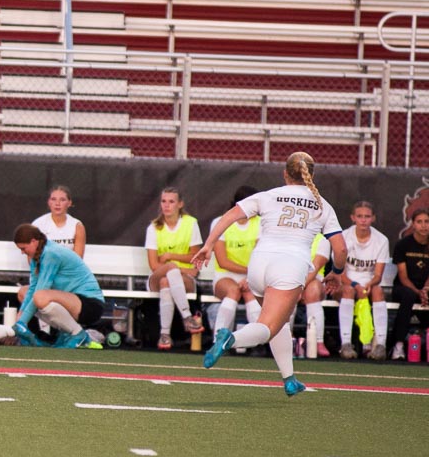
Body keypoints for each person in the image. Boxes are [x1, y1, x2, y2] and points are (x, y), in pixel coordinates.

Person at [195, 151, 346, 396]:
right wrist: (336, 272)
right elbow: (340, 249)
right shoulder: (322, 205)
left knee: (279, 323)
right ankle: (230, 339)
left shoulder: (268, 195)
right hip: (288, 267)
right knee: (268, 326)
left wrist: (208, 245)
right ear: (312, 175)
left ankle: (289, 378)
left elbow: (230, 215)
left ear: (285, 174)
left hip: (258, 265)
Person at [11, 224, 104, 348]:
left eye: (23, 248)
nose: (22, 252)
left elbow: (41, 290)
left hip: (90, 304)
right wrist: (20, 317)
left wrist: (23, 322)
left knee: (40, 297)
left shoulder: (51, 254)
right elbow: (33, 287)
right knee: (23, 292)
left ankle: (78, 334)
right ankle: (66, 332)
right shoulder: (36, 256)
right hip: (72, 301)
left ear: (34, 241)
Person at [325, 201, 390, 360]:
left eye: (367, 216)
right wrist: (355, 285)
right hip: (346, 284)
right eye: (360, 216)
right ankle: (346, 344)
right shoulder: (344, 237)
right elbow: (340, 273)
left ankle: (380, 345)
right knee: (348, 290)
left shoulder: (381, 240)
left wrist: (368, 285)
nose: (363, 220)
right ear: (353, 217)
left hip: (369, 284)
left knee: (378, 291)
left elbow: (378, 275)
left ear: (373, 218)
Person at [145, 186, 204, 349]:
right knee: (168, 271)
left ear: (180, 204)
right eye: (163, 201)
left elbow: (195, 256)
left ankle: (164, 335)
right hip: (157, 277)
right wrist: (177, 268)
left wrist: (171, 256)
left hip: (184, 280)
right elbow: (154, 265)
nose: (166, 205)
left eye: (171, 202)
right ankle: (187, 317)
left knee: (166, 281)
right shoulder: (154, 227)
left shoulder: (190, 223)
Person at [210, 185, 262, 337]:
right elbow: (222, 262)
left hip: (252, 275)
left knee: (250, 293)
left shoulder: (261, 223)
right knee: (233, 291)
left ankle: (258, 340)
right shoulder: (221, 222)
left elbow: (260, 255)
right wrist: (248, 273)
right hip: (225, 276)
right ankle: (218, 339)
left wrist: (250, 277)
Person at [386, 208, 429, 360]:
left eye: (427, 222)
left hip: (425, 289)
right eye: (419, 222)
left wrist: (426, 289)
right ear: (413, 224)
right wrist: (419, 292)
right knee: (408, 296)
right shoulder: (403, 245)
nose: (423, 225)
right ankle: (398, 345)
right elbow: (403, 277)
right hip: (404, 288)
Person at [32, 184, 86, 256]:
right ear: (48, 202)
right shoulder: (37, 225)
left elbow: (78, 259)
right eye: (53, 199)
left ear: (69, 203)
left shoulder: (77, 226)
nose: (57, 203)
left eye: (62, 200)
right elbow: (32, 257)